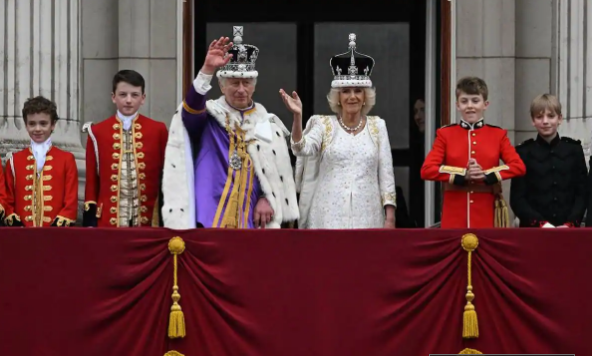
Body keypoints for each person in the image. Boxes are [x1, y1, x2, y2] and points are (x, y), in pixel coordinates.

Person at [161, 26, 299, 229]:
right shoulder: (209, 116)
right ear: (221, 85)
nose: (241, 89)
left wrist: (267, 197)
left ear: (254, 85)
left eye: (246, 82)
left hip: (252, 218)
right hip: (209, 214)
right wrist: (207, 70)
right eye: (235, 83)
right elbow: (189, 111)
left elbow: (275, 172)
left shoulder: (268, 124)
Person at [281, 33, 397, 229]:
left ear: (365, 95)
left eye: (357, 91)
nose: (352, 97)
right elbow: (300, 148)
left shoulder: (378, 126)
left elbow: (386, 174)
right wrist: (297, 117)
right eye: (345, 91)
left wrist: (390, 217)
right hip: (327, 216)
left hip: (368, 216)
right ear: (337, 97)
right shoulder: (324, 125)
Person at [421, 76, 526, 228]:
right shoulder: (445, 135)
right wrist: (462, 174)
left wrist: (486, 175)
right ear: (457, 105)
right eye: (464, 101)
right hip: (455, 216)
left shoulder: (498, 135)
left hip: (486, 215)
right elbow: (427, 170)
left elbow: (518, 166)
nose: (470, 106)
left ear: (485, 104)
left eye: (475, 101)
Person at [82, 70, 168, 227]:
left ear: (143, 98)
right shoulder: (97, 132)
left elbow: (166, 175)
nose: (128, 100)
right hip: (108, 219)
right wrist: (90, 217)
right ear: (113, 97)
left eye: (134, 95)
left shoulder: (158, 130)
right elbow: (92, 179)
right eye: (123, 94)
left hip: (149, 220)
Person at [511, 94, 587, 228]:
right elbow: (517, 199)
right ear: (533, 121)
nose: (545, 121)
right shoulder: (523, 152)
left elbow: (582, 193)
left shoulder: (574, 150)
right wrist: (542, 224)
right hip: (534, 231)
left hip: (569, 230)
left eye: (551, 116)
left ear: (560, 119)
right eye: (539, 117)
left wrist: (570, 223)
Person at [3, 96, 78, 227]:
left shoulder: (67, 159)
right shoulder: (14, 161)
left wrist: (60, 222)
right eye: (32, 123)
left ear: (53, 124)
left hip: (56, 235)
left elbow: (71, 201)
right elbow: (8, 200)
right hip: (22, 235)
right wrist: (12, 218)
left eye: (43, 123)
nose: (37, 129)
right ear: (26, 125)